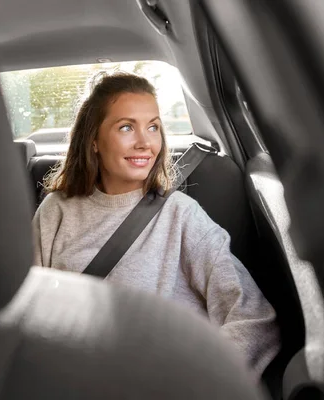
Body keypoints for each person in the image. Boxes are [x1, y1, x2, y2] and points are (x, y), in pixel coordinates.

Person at [31, 72, 281, 375]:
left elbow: (253, 319)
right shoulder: (55, 211)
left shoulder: (181, 215)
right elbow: (30, 310)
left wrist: (193, 382)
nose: (144, 142)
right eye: (126, 127)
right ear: (93, 140)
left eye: (153, 127)